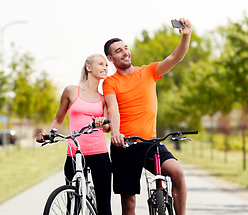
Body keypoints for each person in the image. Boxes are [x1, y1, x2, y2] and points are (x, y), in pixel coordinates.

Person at [102, 18, 192, 215]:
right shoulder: (110, 83)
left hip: (150, 144)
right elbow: (113, 109)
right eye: (118, 51)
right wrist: (116, 133)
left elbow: (175, 57)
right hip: (124, 146)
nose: (125, 52)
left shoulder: (149, 71)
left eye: (125, 48)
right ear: (110, 59)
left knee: (177, 172)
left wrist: (187, 35)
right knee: (129, 203)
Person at [36, 54, 112, 215]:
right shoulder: (71, 91)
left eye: (106, 64)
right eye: (101, 64)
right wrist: (48, 134)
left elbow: (107, 128)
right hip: (74, 153)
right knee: (72, 207)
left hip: (99, 153)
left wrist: (103, 121)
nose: (105, 67)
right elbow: (58, 120)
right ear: (88, 67)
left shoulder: (104, 98)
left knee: (104, 208)